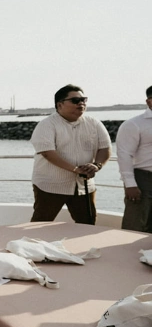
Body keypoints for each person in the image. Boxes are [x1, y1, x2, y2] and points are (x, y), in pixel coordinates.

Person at [29, 84, 111, 224]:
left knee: (87, 223)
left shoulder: (94, 123)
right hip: (51, 185)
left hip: (84, 185)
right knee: (41, 221)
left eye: (83, 100)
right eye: (75, 100)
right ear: (60, 104)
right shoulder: (46, 125)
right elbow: (48, 153)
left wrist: (97, 165)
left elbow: (105, 148)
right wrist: (75, 169)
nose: (81, 103)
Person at [116, 85, 152, 232]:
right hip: (143, 179)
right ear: (149, 101)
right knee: (136, 225)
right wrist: (130, 184)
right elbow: (124, 154)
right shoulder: (134, 124)